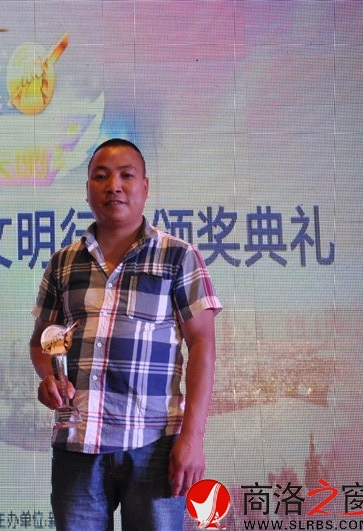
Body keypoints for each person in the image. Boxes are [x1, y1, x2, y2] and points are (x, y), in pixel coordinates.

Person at [30, 138, 222, 531]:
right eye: (100, 177)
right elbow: (41, 342)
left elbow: (202, 345)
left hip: (154, 445)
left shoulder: (178, 256)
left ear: (145, 187)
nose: (113, 186)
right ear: (87, 189)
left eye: (125, 175)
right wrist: (49, 378)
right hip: (77, 444)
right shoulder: (63, 263)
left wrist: (192, 438)